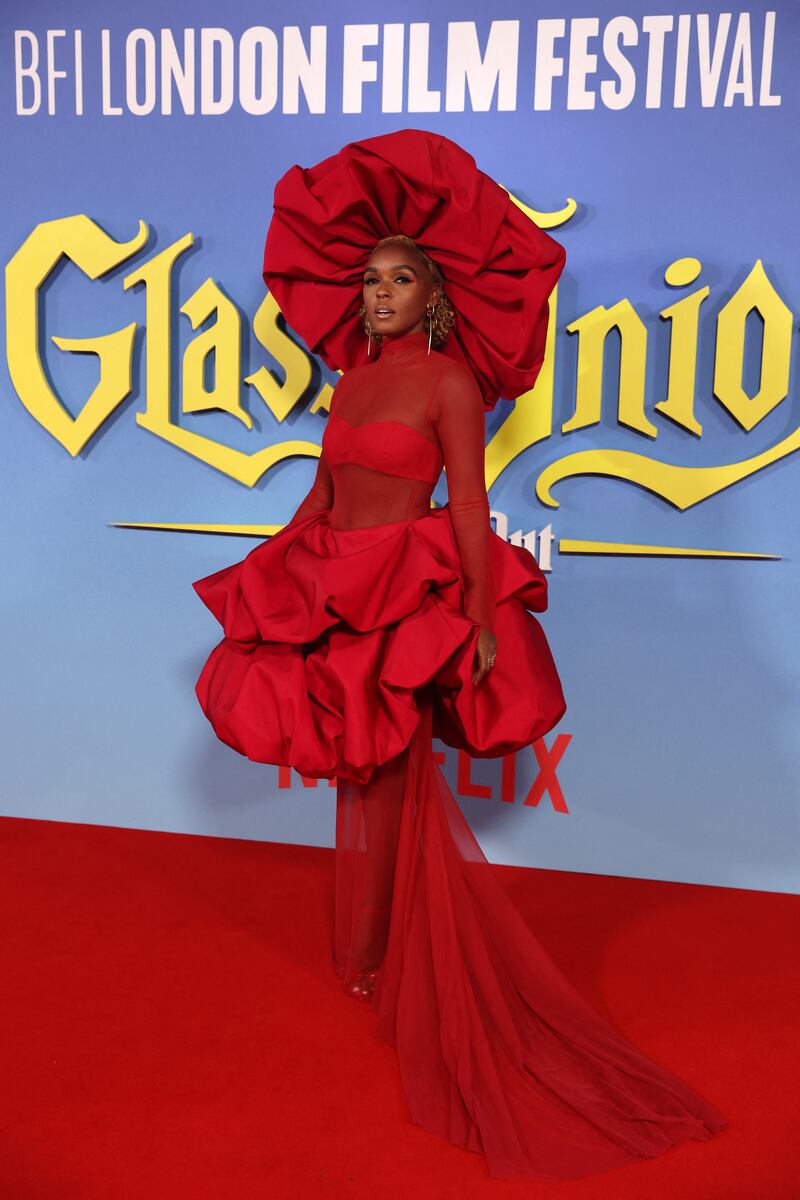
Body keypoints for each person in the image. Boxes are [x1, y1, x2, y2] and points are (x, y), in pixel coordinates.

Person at [191, 129, 727, 1180]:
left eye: (397, 280)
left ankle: (385, 958)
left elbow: (471, 513)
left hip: (410, 595)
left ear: (431, 294)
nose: (376, 294)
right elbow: (322, 491)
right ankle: (369, 953)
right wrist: (278, 568)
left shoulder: (446, 385)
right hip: (340, 584)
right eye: (368, 279)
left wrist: (480, 618)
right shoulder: (346, 382)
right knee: (358, 774)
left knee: (391, 777)